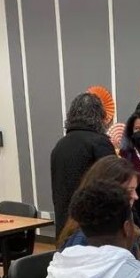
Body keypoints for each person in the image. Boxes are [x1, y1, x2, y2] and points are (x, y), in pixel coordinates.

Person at [57, 155, 140, 273]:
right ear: (107, 192)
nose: (136, 196)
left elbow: (128, 267)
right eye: (129, 191)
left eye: (135, 189)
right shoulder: (85, 239)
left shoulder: (125, 224)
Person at [50, 92, 115, 238]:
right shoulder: (100, 143)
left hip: (64, 224)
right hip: (93, 227)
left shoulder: (60, 145)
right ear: (99, 116)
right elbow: (114, 187)